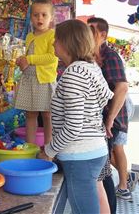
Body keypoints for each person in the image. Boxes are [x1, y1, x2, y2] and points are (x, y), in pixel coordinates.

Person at [39, 19, 114, 214]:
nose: (53, 43)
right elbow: (105, 97)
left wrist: (49, 150)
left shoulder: (74, 74)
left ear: (66, 42)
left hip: (80, 155)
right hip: (95, 149)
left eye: (56, 39)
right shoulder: (90, 68)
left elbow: (73, 126)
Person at [88, 17, 131, 201]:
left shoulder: (110, 56)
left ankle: (123, 185)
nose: (87, 33)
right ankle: (126, 179)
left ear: (103, 35)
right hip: (103, 115)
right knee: (108, 153)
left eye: (92, 30)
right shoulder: (90, 54)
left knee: (117, 149)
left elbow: (122, 88)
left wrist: (111, 118)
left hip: (116, 113)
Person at [14, 0, 58, 145]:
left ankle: (49, 148)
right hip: (29, 79)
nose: (40, 18)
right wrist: (22, 62)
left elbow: (52, 57)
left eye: (44, 15)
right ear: (30, 17)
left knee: (47, 114)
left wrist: (30, 59)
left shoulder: (52, 36)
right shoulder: (29, 36)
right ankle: (30, 147)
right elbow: (28, 59)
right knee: (30, 114)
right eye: (36, 15)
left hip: (44, 80)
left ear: (51, 17)